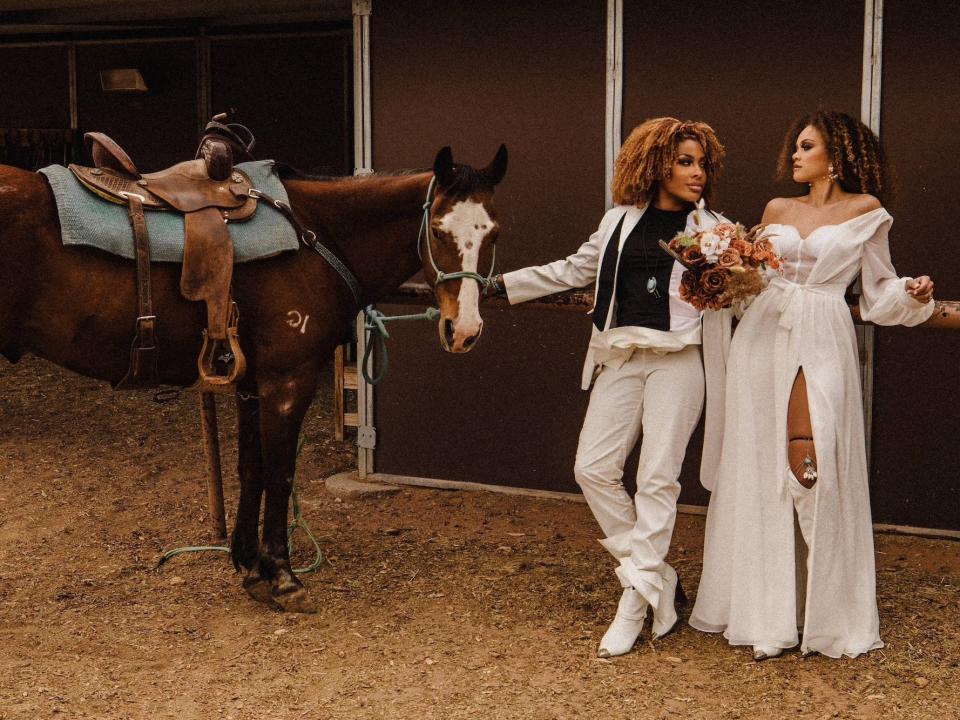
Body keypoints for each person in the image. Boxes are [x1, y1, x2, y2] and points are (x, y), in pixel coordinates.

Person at [689, 110, 935, 660]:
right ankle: (767, 616)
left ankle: (822, 611)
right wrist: (728, 280)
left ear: (837, 155)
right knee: (758, 461)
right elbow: (753, 281)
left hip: (823, 332)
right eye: (795, 147)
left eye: (805, 146)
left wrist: (912, 295)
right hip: (761, 334)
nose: (794, 156)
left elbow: (878, 291)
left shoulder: (866, 212)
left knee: (810, 460)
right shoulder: (776, 209)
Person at [492, 117, 729, 657]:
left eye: (701, 163)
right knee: (592, 468)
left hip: (681, 361)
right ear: (656, 164)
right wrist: (504, 286)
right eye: (684, 162)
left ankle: (633, 604)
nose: (696, 173)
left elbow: (744, 291)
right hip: (620, 355)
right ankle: (654, 578)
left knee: (657, 478)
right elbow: (576, 268)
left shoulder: (716, 229)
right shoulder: (619, 220)